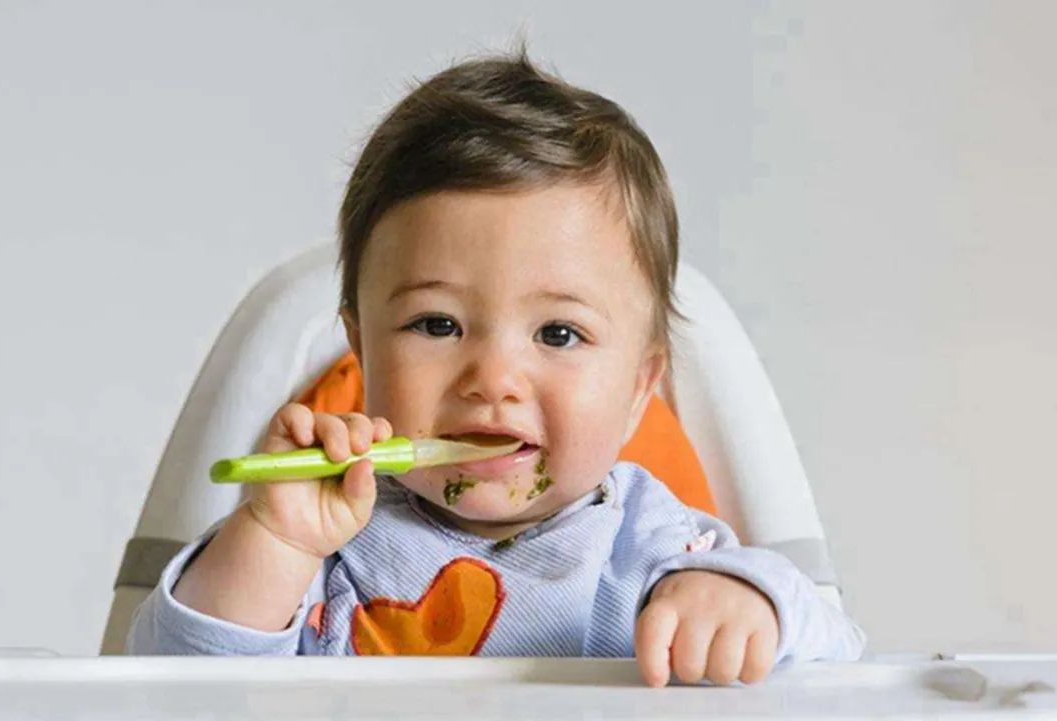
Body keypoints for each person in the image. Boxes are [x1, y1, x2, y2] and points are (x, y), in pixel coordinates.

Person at [127, 49, 865, 687]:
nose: (493, 378)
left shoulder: (651, 544)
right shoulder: (329, 538)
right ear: (361, 348)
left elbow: (838, 651)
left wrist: (744, 604)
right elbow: (171, 684)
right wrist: (274, 543)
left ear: (640, 388)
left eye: (559, 332)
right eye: (438, 324)